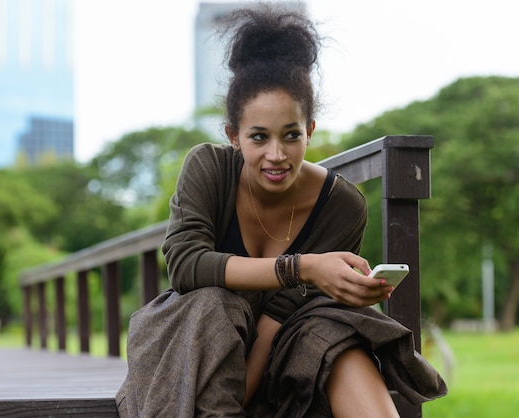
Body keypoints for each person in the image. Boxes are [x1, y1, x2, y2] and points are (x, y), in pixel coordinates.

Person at [116, 3, 447, 417]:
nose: (277, 155)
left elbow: (278, 320)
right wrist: (304, 266)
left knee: (336, 331)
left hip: (285, 350)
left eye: (291, 135)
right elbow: (186, 265)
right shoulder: (208, 167)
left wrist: (241, 399)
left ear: (309, 130)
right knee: (215, 304)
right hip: (198, 340)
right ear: (233, 135)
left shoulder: (342, 206)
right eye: (259, 137)